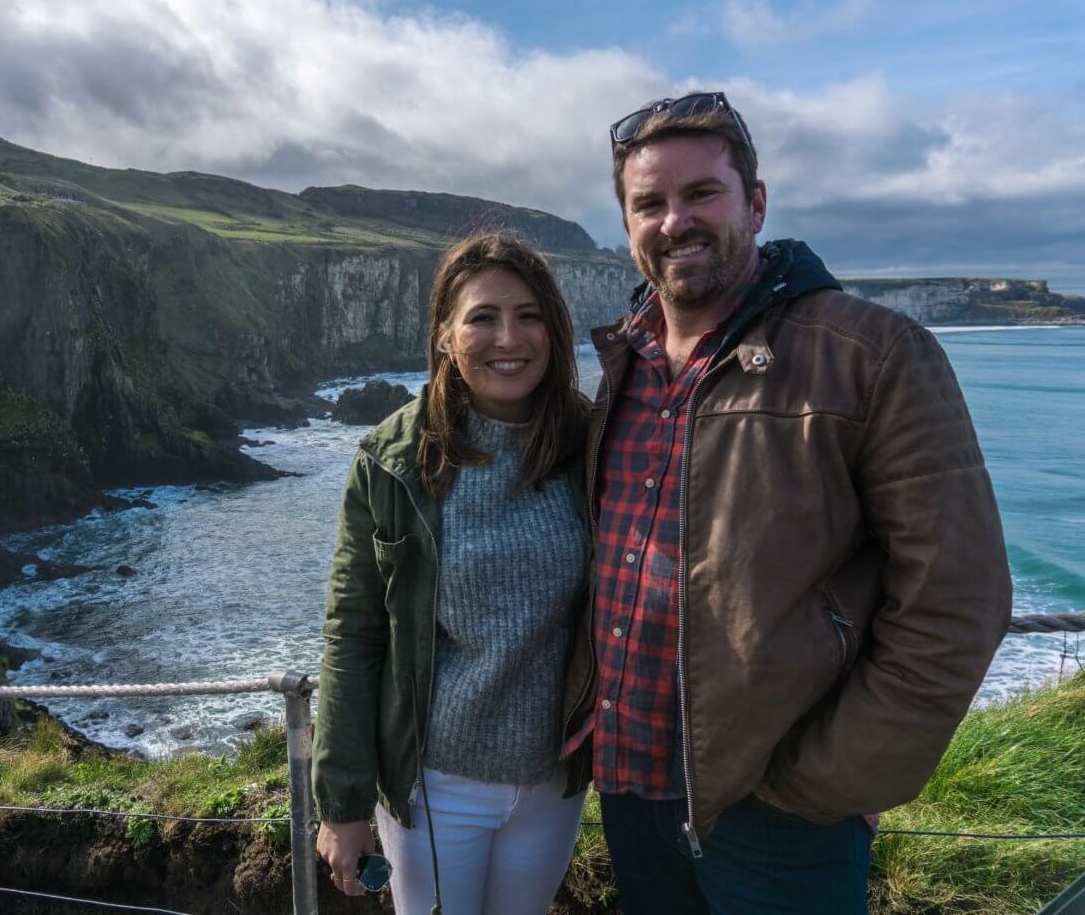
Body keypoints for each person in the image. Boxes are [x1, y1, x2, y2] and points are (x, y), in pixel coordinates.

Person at [563, 91, 1013, 913]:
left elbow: (959, 599)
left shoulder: (872, 354)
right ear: (626, 225)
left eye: (702, 194)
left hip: (778, 812)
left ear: (756, 204)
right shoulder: (624, 364)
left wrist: (832, 779)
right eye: (649, 204)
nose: (675, 222)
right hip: (630, 787)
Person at [313, 232, 595, 914]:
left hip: (554, 783)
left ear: (554, 331)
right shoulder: (391, 463)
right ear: (444, 334)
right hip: (434, 786)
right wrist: (344, 803)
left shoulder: (592, 445)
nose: (510, 337)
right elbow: (354, 633)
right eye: (482, 317)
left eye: (530, 316)